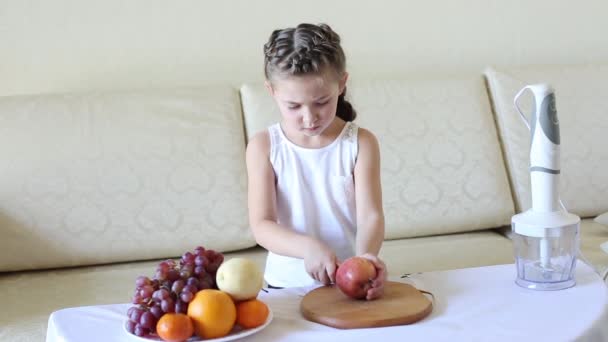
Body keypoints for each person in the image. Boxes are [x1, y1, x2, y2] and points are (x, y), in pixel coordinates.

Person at [246, 23, 387, 300]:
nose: (309, 118)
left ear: (342, 84)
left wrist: (366, 257)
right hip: (284, 287)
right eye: (293, 106)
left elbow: (371, 215)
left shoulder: (361, 143)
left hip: (348, 285)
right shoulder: (264, 146)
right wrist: (307, 247)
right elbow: (262, 225)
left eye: (322, 102)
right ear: (272, 91)